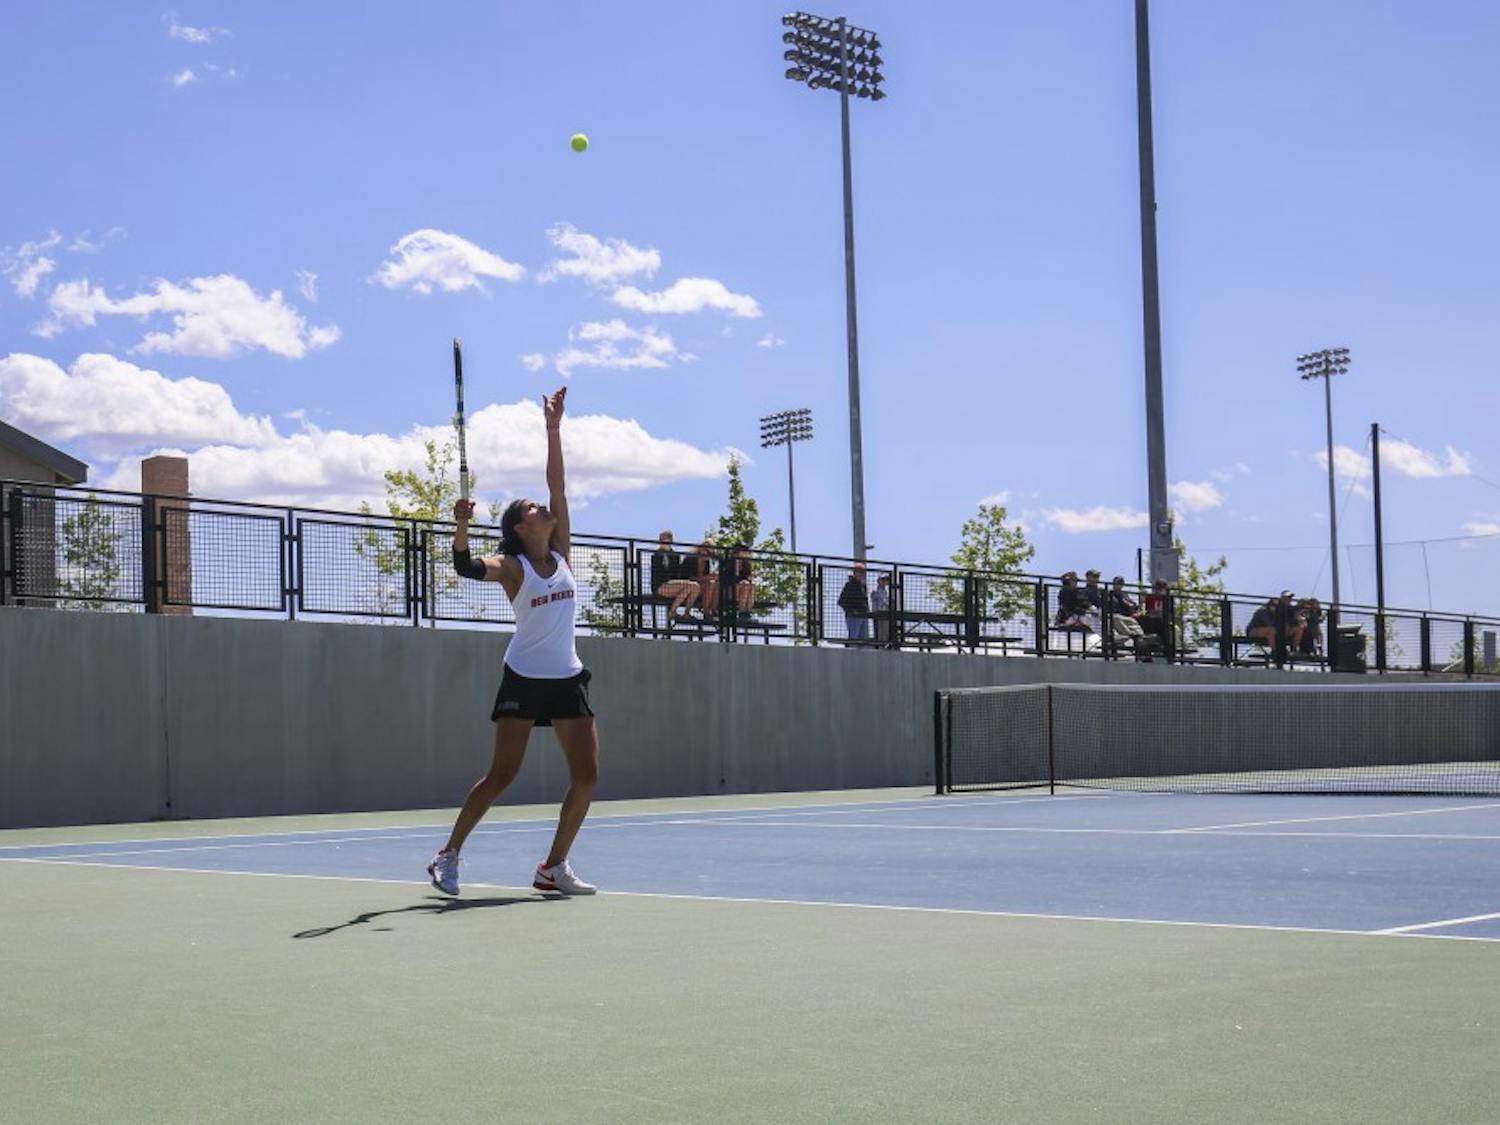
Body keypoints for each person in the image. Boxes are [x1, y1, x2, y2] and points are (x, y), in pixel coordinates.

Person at [426, 387, 598, 898]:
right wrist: (460, 527)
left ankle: (553, 868)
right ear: (520, 528)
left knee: (587, 778)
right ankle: (448, 854)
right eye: (532, 508)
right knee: (502, 775)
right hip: (524, 676)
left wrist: (553, 428)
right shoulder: (512, 567)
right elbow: (464, 566)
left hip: (567, 677)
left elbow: (558, 481)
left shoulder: (561, 551)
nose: (545, 507)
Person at [650, 530, 699, 620]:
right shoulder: (657, 555)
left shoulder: (675, 556)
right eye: (661, 539)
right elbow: (660, 573)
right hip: (661, 586)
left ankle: (686, 613)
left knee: (695, 586)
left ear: (670, 540)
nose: (661, 541)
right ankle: (672, 612)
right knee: (690, 585)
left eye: (664, 539)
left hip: (673, 584)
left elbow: (677, 573)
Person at [1107, 576, 1147, 643]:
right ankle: (1130, 635)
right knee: (1116, 619)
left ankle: (1141, 638)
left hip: (1125, 616)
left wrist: (1131, 605)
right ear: (1113, 584)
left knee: (1133, 621)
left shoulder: (1124, 594)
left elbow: (1133, 604)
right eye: (1117, 583)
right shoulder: (1109, 593)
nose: (1119, 585)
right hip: (1114, 615)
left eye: (1121, 583)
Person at [838, 563, 870, 641]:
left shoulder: (863, 586)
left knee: (864, 640)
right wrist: (852, 611)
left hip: (864, 616)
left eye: (863, 573)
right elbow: (841, 601)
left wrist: (867, 611)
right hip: (853, 617)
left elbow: (865, 600)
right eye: (859, 572)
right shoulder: (849, 585)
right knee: (854, 639)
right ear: (855, 573)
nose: (861, 574)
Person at [693, 536, 720, 620]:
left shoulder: (707, 563)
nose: (709, 556)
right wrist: (707, 578)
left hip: (703, 588)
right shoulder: (690, 559)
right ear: (701, 549)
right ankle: (706, 612)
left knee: (716, 584)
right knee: (711, 583)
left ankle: (714, 611)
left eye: (711, 554)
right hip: (691, 589)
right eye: (708, 552)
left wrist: (711, 577)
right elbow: (689, 579)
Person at [728, 542, 756, 617]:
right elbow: (728, 579)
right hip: (730, 590)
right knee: (745, 584)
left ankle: (748, 612)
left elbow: (748, 578)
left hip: (743, 589)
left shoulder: (746, 565)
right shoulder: (730, 562)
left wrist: (751, 577)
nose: (747, 553)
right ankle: (742, 612)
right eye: (744, 551)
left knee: (752, 585)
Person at [871, 573, 893, 648]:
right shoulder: (875, 591)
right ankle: (880, 646)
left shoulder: (886, 592)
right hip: (879, 615)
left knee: (886, 633)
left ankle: (884, 645)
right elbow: (878, 603)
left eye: (886, 580)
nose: (885, 582)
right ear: (879, 581)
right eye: (883, 580)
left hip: (886, 615)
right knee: (879, 633)